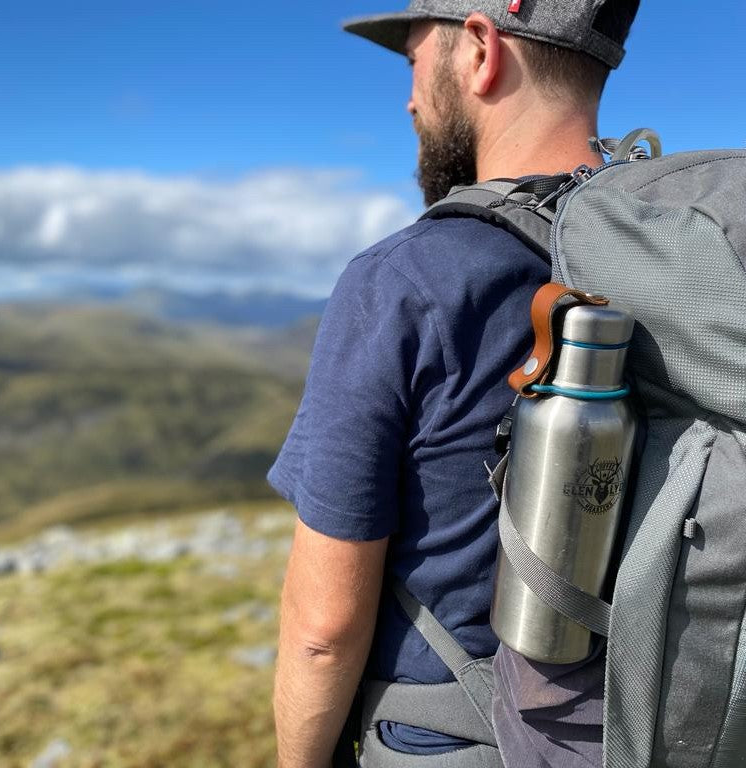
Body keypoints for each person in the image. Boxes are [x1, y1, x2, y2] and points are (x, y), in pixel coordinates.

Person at [268, 2, 640, 766]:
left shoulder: (402, 281)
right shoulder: (672, 260)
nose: (408, 98)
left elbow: (322, 634)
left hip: (457, 736)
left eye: (413, 64)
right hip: (661, 721)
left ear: (478, 49)